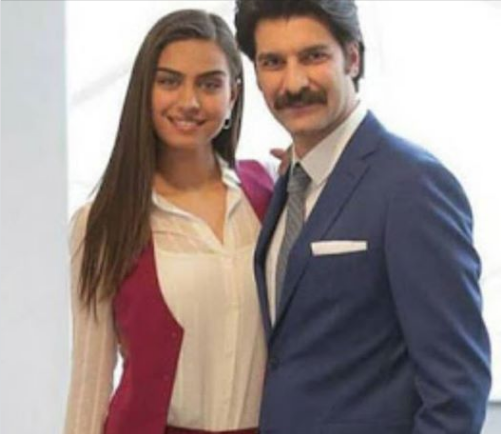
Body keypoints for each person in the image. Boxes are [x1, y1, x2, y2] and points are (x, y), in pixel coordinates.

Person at [234, 1, 491, 433]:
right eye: (273, 62)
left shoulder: (413, 184)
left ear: (352, 57)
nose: (293, 83)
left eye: (313, 56)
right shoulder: (290, 183)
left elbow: (457, 389)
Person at [64, 9, 274, 434]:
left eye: (209, 84)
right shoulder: (102, 222)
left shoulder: (269, 193)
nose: (189, 101)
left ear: (233, 94)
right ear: (145, 90)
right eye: (169, 81)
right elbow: (90, 381)